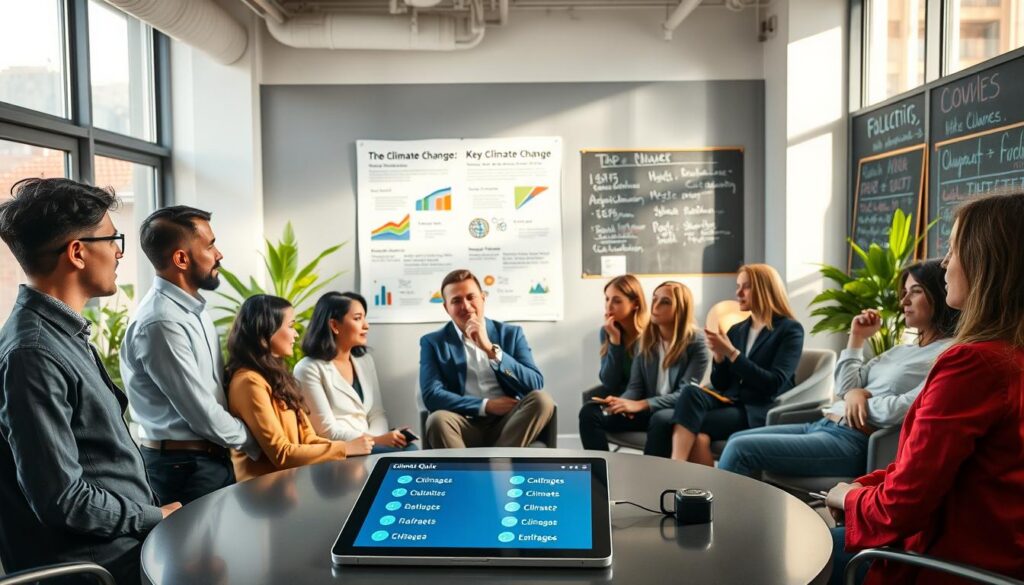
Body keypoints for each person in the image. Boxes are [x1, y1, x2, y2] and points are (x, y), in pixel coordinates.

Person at [826, 192, 1024, 585]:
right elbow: (944, 472)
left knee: (790, 550)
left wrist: (848, 498)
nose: (946, 264)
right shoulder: (1009, 356)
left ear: (986, 263)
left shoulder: (974, 364)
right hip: (1000, 556)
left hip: (945, 566)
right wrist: (863, 485)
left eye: (953, 250)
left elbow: (902, 508)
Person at [0, 178, 178, 585]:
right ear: (77, 252)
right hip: (101, 568)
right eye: (112, 238)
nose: (118, 251)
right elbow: (62, 499)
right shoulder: (34, 353)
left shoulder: (60, 335)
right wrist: (155, 515)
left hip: (124, 550)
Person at [718, 260, 958, 479]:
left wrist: (859, 401)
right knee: (736, 439)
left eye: (915, 292)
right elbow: (845, 386)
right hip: (825, 424)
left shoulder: (946, 354)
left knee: (740, 450)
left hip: (854, 441)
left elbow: (908, 407)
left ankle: (724, 524)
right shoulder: (900, 350)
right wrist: (856, 338)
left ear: (940, 295)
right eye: (904, 293)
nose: (904, 301)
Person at [120, 206, 261, 506]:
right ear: (181, 259)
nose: (219, 254)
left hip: (204, 459)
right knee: (200, 553)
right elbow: (201, 412)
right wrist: (258, 440)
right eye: (210, 245)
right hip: (182, 467)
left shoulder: (193, 310)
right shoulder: (162, 322)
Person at [225, 295, 372, 481]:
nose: (295, 334)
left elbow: (308, 438)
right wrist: (345, 448)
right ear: (265, 333)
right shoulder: (249, 382)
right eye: (290, 326)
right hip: (263, 491)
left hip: (291, 484)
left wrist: (351, 446)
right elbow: (282, 453)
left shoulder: (277, 377)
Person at [669, 263, 804, 464]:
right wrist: (719, 357)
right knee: (690, 392)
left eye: (746, 287)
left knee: (694, 430)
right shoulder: (737, 329)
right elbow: (722, 384)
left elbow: (773, 383)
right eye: (738, 286)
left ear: (764, 290)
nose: (738, 293)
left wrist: (731, 353)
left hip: (756, 409)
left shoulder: (790, 330)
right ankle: (679, 467)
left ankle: (676, 469)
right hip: (731, 401)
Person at [419, 269, 555, 448]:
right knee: (437, 419)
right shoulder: (433, 342)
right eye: (456, 301)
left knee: (542, 400)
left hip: (508, 423)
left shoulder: (511, 334)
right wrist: (486, 405)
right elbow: (432, 396)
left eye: (471, 297)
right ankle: (478, 472)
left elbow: (534, 383)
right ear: (446, 307)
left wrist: (491, 350)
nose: (466, 306)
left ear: (483, 298)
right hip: (462, 423)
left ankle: (498, 462)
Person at [579, 281, 709, 456]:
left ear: (681, 308)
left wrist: (641, 404)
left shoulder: (697, 342)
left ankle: (650, 480)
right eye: (654, 299)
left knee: (660, 418)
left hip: (672, 410)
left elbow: (685, 393)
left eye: (665, 302)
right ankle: (604, 473)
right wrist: (623, 403)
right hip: (644, 408)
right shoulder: (646, 339)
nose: (655, 305)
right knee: (589, 412)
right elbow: (635, 386)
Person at [295, 291, 418, 454]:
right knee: (407, 455)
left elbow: (377, 413)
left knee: (411, 448)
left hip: (371, 445)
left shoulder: (365, 361)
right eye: (358, 318)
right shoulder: (308, 368)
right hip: (343, 450)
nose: (366, 325)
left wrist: (382, 439)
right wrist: (378, 441)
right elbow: (327, 431)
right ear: (334, 325)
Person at [594, 274, 649, 397]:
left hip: (644, 398)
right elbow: (609, 382)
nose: (609, 306)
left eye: (617, 301)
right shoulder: (607, 331)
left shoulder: (650, 333)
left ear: (635, 303)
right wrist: (615, 340)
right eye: (607, 299)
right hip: (619, 395)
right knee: (588, 410)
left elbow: (650, 383)